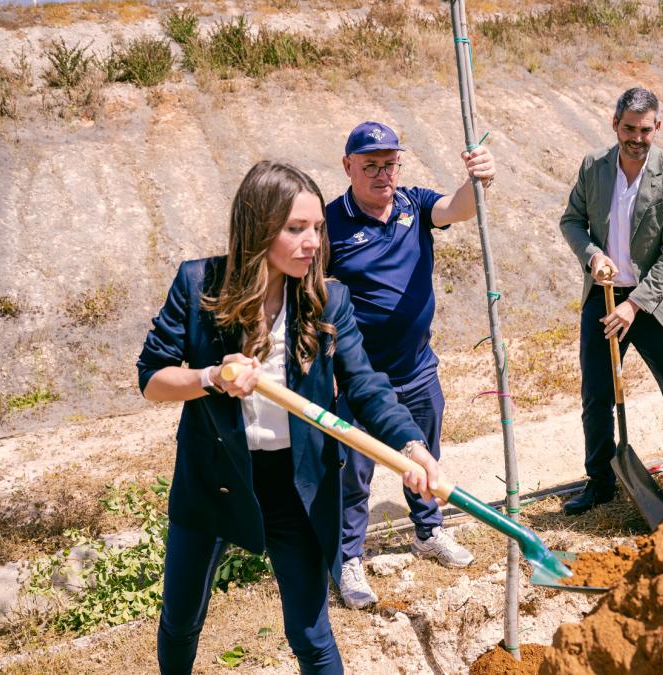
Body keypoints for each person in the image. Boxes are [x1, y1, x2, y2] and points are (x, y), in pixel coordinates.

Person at [137, 160, 444, 675]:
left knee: (311, 632)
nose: (312, 243)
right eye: (295, 229)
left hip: (298, 485)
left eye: (317, 229)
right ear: (258, 229)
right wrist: (211, 377)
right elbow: (152, 380)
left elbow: (367, 387)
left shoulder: (327, 298)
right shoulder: (198, 286)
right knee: (182, 619)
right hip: (212, 478)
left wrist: (413, 450)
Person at [324, 121, 495, 609]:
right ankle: (348, 556)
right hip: (359, 380)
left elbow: (458, 209)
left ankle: (428, 532)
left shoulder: (412, 204)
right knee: (353, 472)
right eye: (371, 165)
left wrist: (478, 179)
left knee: (425, 459)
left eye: (390, 164)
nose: (383, 174)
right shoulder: (331, 224)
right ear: (348, 166)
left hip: (418, 367)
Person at [558, 87, 663, 515]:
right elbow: (572, 220)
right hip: (603, 299)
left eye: (645, 130)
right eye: (628, 128)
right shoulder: (594, 167)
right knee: (597, 394)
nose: (636, 138)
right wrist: (593, 256)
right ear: (614, 124)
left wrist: (635, 304)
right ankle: (601, 480)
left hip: (656, 306)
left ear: (657, 127)